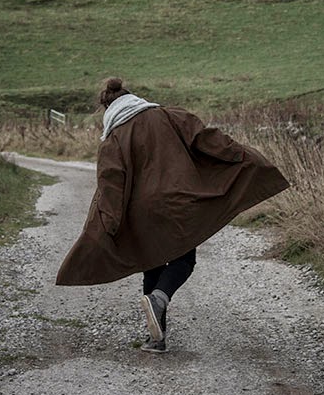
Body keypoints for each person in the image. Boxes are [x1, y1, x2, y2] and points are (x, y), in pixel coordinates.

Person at [55, 78, 289, 352]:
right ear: (133, 98)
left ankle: (157, 337)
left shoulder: (113, 138)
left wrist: (109, 224)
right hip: (180, 202)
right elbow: (207, 138)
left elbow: (111, 185)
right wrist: (241, 156)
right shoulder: (169, 115)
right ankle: (160, 300)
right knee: (184, 260)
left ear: (107, 108)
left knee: (151, 264)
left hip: (142, 214)